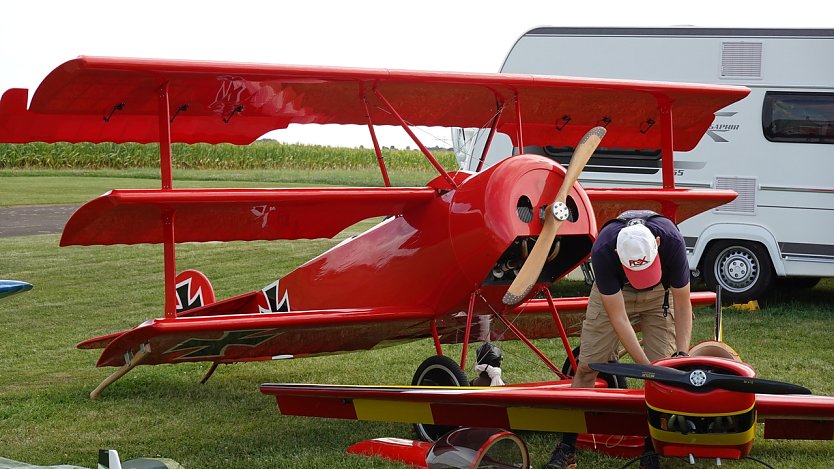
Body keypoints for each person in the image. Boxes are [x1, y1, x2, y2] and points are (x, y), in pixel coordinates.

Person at [543, 210, 693, 469]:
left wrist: (682, 355)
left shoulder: (672, 241)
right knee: (587, 367)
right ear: (617, 254)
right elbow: (619, 319)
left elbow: (682, 303)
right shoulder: (603, 250)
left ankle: (651, 449)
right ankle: (567, 447)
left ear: (657, 244)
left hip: (660, 295)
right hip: (614, 293)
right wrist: (648, 368)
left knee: (665, 372)